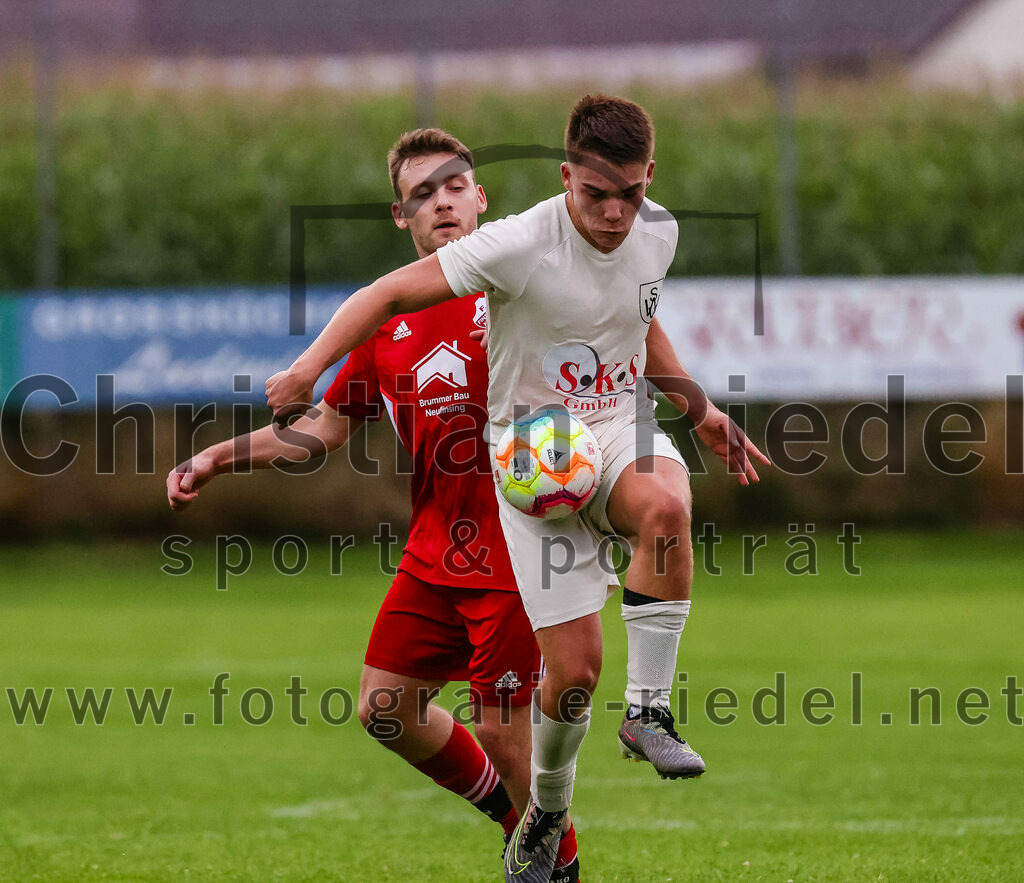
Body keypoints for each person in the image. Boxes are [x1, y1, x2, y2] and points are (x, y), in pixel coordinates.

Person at [265, 98, 769, 883]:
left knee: (668, 507)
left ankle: (648, 713)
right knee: (565, 681)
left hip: (611, 428)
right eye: (595, 195)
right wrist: (304, 369)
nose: (614, 213)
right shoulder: (514, 247)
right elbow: (381, 302)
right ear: (565, 177)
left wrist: (699, 410)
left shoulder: (658, 232)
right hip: (527, 465)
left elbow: (636, 323)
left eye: (630, 194)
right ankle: (545, 814)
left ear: (649, 179)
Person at [167, 128, 582, 882]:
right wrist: (216, 457)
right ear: (401, 216)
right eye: (423, 194)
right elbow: (323, 429)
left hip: (518, 552)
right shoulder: (387, 324)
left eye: (454, 187)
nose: (442, 203)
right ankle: (515, 821)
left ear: (480, 198)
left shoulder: (519, 286)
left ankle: (557, 863)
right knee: (386, 708)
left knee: (503, 732)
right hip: (436, 550)